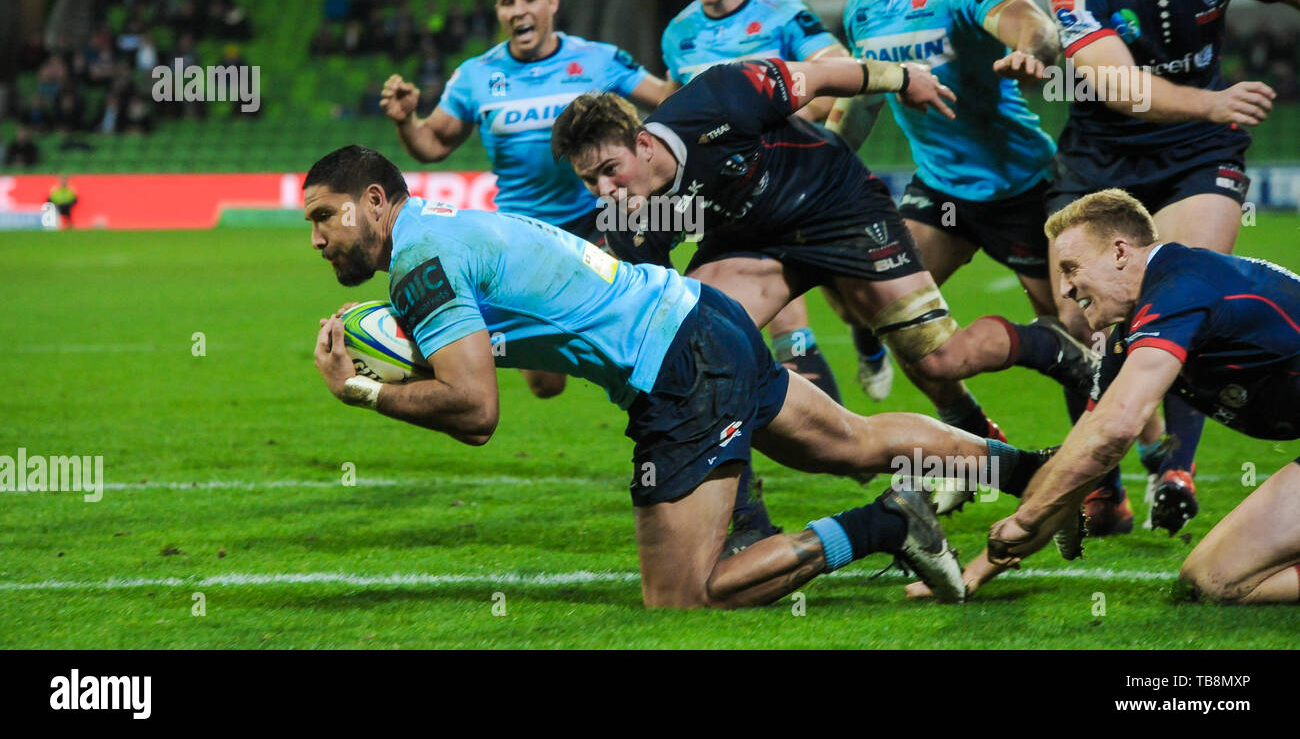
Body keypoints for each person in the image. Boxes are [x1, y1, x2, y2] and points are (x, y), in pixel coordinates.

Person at [305, 144, 1059, 608]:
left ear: (375, 200)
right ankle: (1039, 474)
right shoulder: (446, 228)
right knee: (852, 441)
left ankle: (887, 522)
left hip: (676, 364)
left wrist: (362, 390)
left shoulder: (420, 257)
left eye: (325, 216)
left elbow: (475, 411)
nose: (315, 238)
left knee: (684, 595)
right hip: (702, 316)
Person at [551, 57, 1099, 449]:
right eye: (589, 181)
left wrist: (904, 78)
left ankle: (1048, 345)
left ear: (643, 143)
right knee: (701, 356)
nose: (605, 190)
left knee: (937, 357)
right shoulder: (626, 219)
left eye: (609, 170)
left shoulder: (718, 97)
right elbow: (652, 313)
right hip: (753, 243)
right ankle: (746, 519)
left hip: (838, 206)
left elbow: (823, 73)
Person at [1044, 0, 1300, 534]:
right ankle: (1109, 487)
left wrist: (1210, 116)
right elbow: (1120, 89)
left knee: (1194, 291)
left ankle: (1175, 471)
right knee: (1081, 320)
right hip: (1100, 160)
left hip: (1195, 154)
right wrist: (1216, 101)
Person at [833, 0, 1088, 471]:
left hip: (1021, 187)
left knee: (1076, 336)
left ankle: (1102, 474)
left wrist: (1032, 51)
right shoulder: (862, 9)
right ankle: (971, 431)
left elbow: (1032, 23)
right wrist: (819, 165)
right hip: (942, 191)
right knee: (890, 313)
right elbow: (862, 106)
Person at [933, 189, 1300, 605]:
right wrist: (978, 569)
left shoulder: (1182, 287)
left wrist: (1027, 519)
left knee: (1217, 578)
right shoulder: (1131, 331)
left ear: (1120, 252)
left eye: (1071, 269)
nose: (1066, 289)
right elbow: (1084, 447)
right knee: (1213, 578)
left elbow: (1117, 430)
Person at [381, 0, 672, 401]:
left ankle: (662, 401)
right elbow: (433, 145)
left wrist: (688, 67)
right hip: (521, 234)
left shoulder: (596, 60)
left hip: (599, 221)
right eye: (507, 1)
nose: (519, 9)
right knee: (545, 384)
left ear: (553, 3)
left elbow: (665, 100)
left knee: (642, 334)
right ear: (499, 12)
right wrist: (406, 120)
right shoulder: (475, 76)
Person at [661, 0, 878, 404]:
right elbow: (678, 108)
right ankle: (811, 455)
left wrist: (778, 134)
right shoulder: (679, 33)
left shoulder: (783, 12)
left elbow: (838, 69)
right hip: (727, 198)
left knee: (851, 306)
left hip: (795, 182)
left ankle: (848, 416)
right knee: (749, 327)